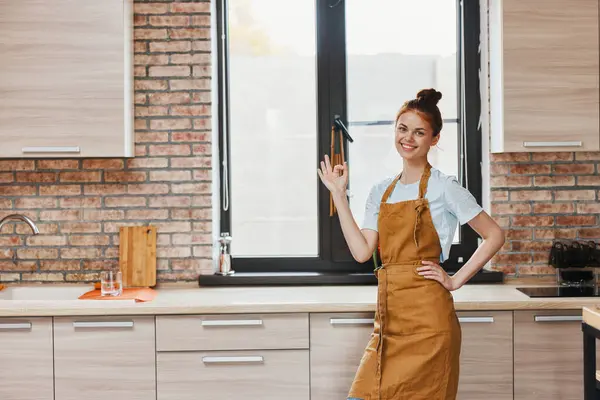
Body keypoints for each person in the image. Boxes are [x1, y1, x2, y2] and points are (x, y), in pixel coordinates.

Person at [317, 88, 505, 400]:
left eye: (419, 132)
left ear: (434, 139)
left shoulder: (445, 187)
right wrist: (338, 194)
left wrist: (455, 280)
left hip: (431, 325)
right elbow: (363, 252)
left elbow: (494, 235)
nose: (408, 138)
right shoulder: (381, 191)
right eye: (403, 129)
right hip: (389, 325)